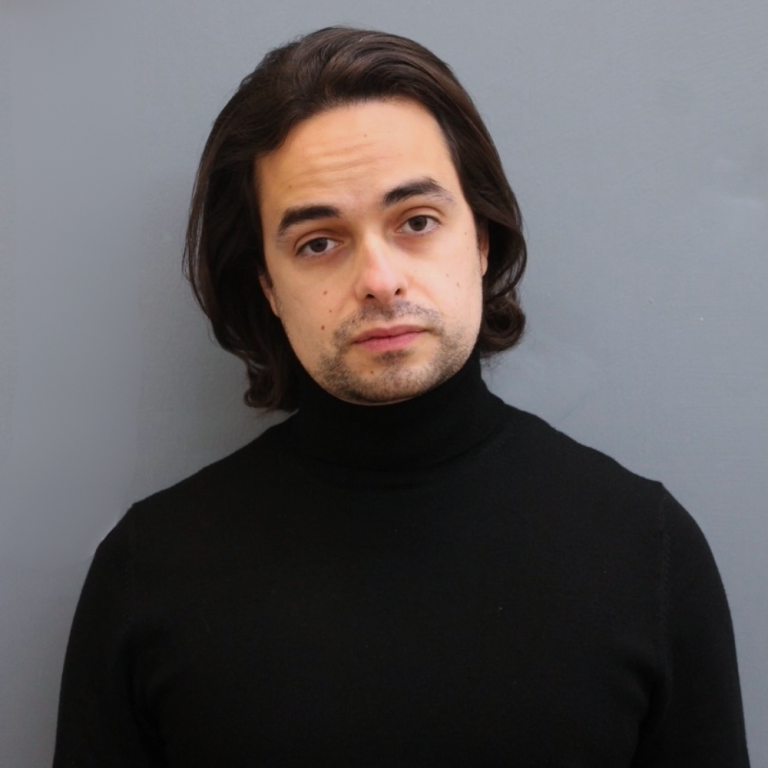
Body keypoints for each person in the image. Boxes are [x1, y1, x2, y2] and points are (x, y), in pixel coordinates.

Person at [52, 26, 750, 767]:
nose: (380, 281)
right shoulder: (149, 573)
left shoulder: (647, 553)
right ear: (268, 287)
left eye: (416, 222)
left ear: (480, 240)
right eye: (319, 242)